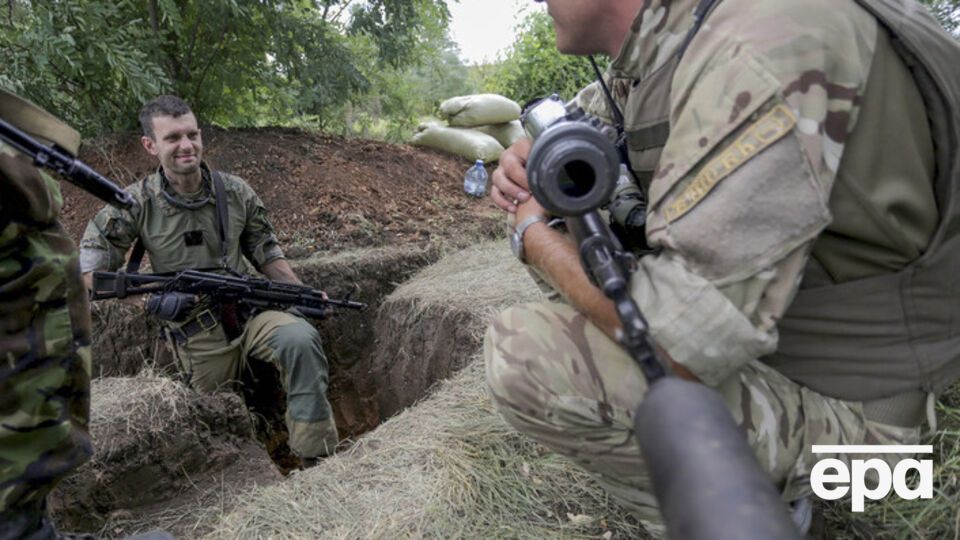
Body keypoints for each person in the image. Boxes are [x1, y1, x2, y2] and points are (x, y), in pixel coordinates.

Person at [485, 0, 959, 532]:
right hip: (798, 362)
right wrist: (537, 155)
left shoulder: (763, 42)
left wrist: (534, 236)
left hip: (872, 437)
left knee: (526, 354)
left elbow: (670, 350)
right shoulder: (671, 48)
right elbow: (599, 111)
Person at [79, 95, 338, 465]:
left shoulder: (235, 192)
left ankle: (316, 457)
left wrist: (301, 293)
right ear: (150, 146)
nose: (186, 146)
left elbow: (266, 253)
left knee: (300, 339)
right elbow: (88, 276)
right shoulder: (134, 204)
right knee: (215, 414)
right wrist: (150, 302)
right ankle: (251, 473)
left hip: (251, 313)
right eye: (172, 138)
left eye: (192, 135)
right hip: (195, 327)